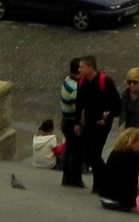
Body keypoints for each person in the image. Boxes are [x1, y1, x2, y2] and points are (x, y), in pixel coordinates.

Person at [76, 55, 122, 193]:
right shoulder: (82, 81)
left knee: (94, 155)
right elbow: (79, 103)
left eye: (82, 67)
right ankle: (101, 182)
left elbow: (117, 105)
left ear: (91, 67)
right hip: (88, 124)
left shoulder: (105, 81)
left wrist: (108, 116)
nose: (79, 69)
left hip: (102, 125)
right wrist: (77, 122)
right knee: (88, 155)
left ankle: (101, 184)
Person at [101, 127, 139, 212]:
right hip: (121, 202)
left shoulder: (114, 152)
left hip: (105, 198)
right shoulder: (135, 156)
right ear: (132, 141)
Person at [60, 57, 87, 188]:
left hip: (65, 120)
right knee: (76, 152)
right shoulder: (75, 88)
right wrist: (82, 124)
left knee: (70, 149)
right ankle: (75, 179)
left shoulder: (67, 80)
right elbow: (78, 110)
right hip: (72, 123)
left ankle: (67, 177)